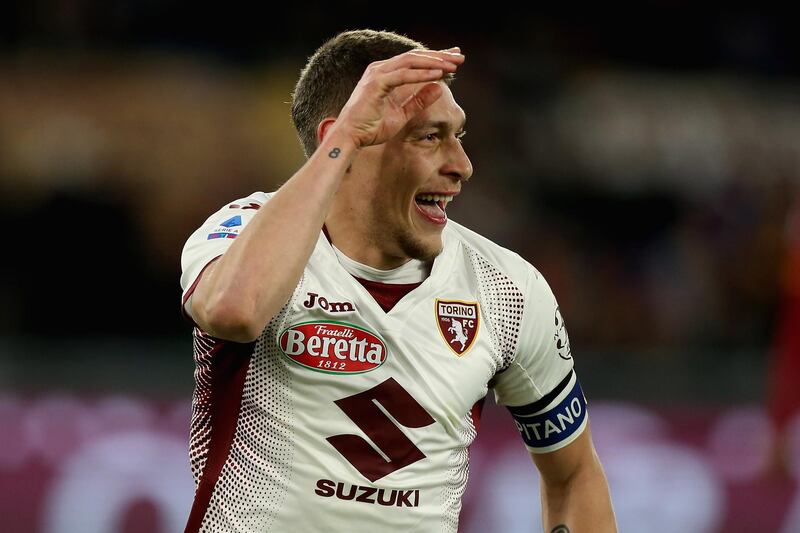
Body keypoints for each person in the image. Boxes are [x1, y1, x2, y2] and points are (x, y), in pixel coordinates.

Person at [179, 29, 616, 533]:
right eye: (429, 137)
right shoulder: (247, 228)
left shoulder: (507, 290)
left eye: (458, 136)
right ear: (344, 140)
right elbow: (234, 311)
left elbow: (574, 474)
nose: (461, 166)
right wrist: (347, 133)